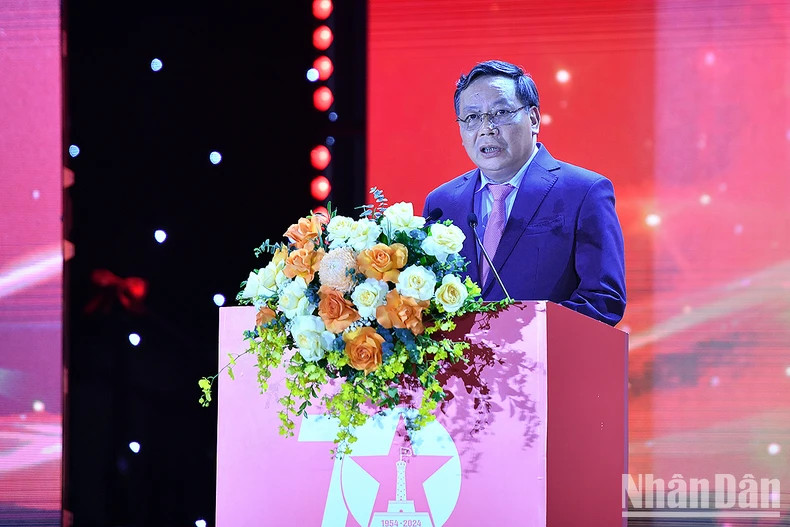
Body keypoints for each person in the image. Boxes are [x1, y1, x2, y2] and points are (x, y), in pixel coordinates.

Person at [423, 60, 626, 326]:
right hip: (460, 366)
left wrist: (520, 333)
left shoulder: (584, 192)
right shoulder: (442, 203)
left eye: (501, 112)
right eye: (472, 117)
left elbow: (603, 299)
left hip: (548, 363)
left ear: (533, 119)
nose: (487, 128)